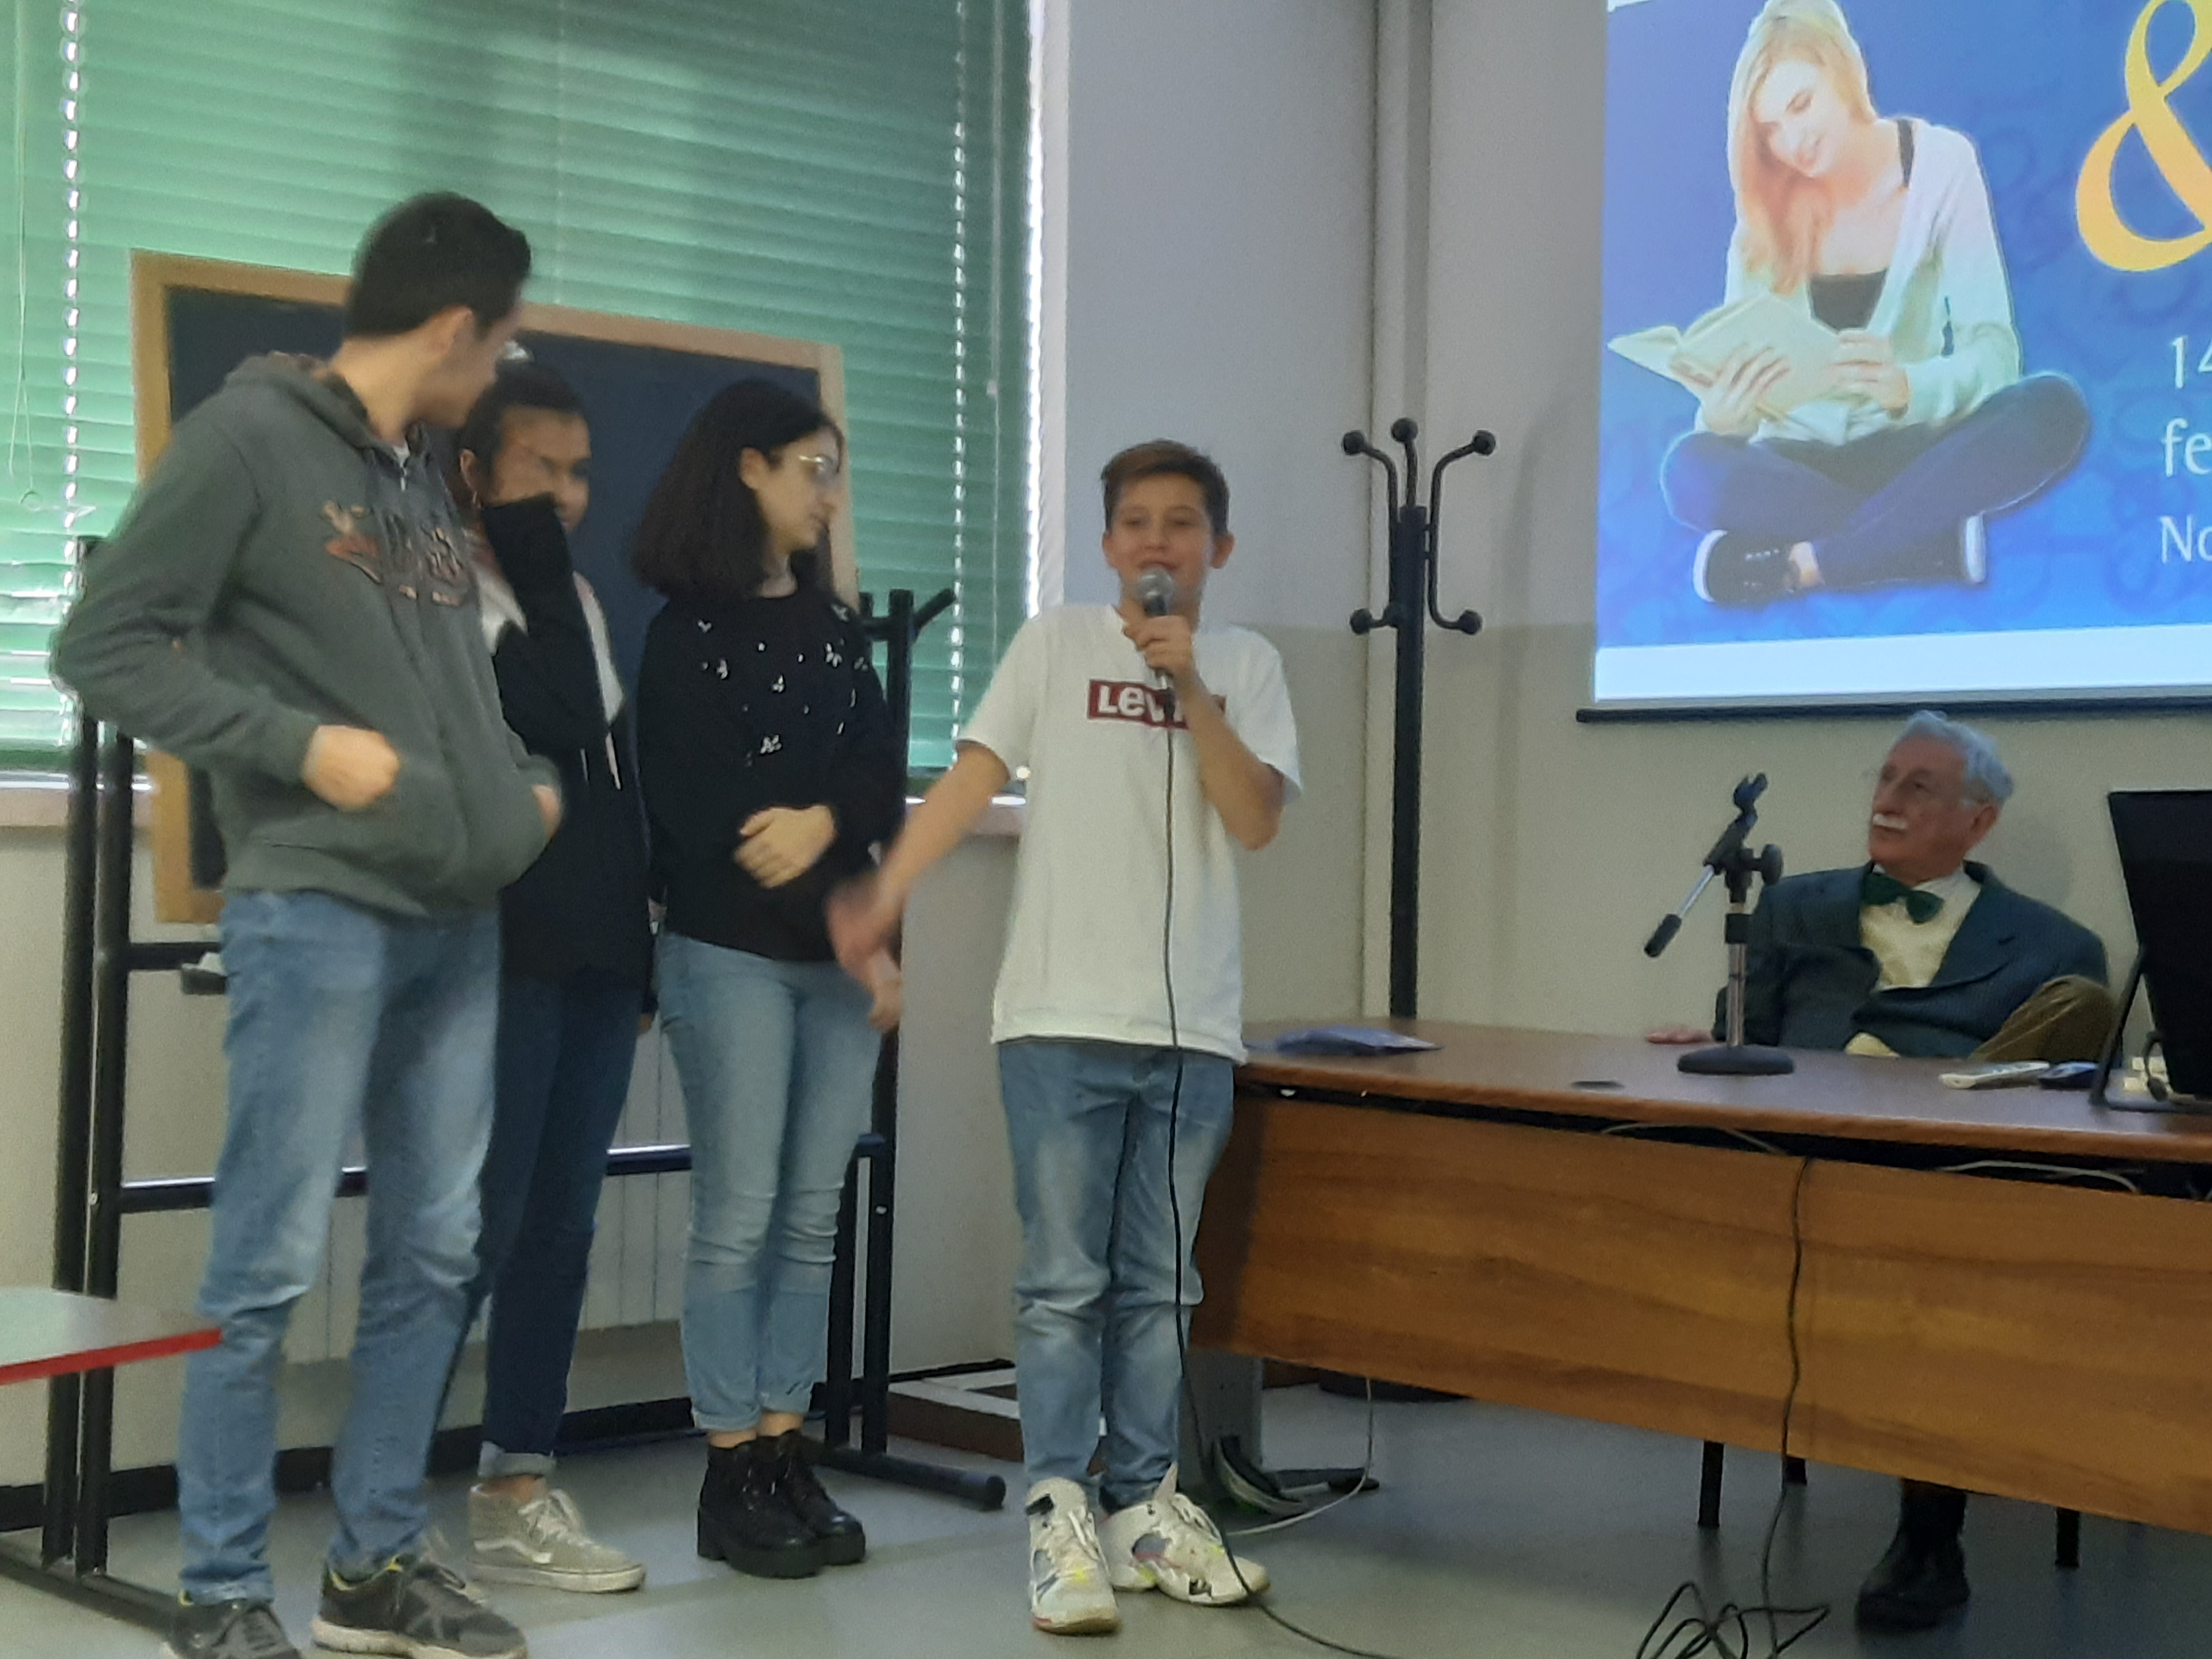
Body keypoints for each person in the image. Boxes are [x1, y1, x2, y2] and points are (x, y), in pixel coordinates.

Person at [53, 195, 549, 1659]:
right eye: (500, 343)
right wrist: (294, 745)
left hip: (458, 918)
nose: (500, 369)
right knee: (266, 1265)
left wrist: (515, 788)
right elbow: (100, 645)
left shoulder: (419, 478)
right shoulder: (245, 443)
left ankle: (373, 1570)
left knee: (433, 1254)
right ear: (452, 328)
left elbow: (447, 682)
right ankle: (218, 1591)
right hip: (319, 910)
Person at [830, 440, 1300, 1636]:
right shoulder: (1054, 644)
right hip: (1056, 1019)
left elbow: (1254, 820)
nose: (1156, 541)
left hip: (1192, 1027)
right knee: (1063, 1285)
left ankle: (1147, 1504)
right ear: (1105, 546)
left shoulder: (1246, 665)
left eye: (1181, 523)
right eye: (1136, 522)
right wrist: (886, 891)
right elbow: (970, 776)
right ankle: (1059, 1510)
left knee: (1162, 1285)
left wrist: (1190, 689)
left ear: (1218, 548)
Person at [1650, 711, 2111, 1632]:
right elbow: (1751, 1036)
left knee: (1941, 1258)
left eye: (1918, 787)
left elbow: (2061, 1112)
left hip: (1949, 1180)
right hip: (1794, 1155)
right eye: (1886, 779)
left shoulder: (2055, 947)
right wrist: (1714, 1041)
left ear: (1978, 821)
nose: (1888, 801)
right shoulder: (1791, 906)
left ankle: (1928, 1536)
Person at [632, 379, 903, 1582]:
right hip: (730, 954)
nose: (828, 493)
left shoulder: (835, 630)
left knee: (809, 1216)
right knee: (737, 1215)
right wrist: (843, 914)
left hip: (834, 963)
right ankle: (729, 1462)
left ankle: (788, 1444)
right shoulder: (681, 636)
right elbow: (708, 819)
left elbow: (876, 769)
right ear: (748, 467)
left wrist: (832, 839)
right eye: (812, 467)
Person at [1661, 0, 2088, 608]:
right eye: (1771, 130)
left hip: (1913, 449)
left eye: (1801, 105)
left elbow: (1994, 352)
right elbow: (1744, 401)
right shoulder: (1763, 220)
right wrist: (1725, 418)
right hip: (1795, 462)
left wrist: (1908, 386)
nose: (1793, 141)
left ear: (1845, 72)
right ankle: (1928, 545)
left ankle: (1807, 564)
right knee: (1688, 467)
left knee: (2053, 407)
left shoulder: (1943, 165)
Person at [445, 360, 652, 1594]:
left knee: (563, 1226)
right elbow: (557, 712)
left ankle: (515, 1485)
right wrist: (523, 556)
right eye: (541, 470)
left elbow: (605, 764)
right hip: (497, 942)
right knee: (479, 1222)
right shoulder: (435, 589)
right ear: (473, 472)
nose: (567, 497)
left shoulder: (569, 592)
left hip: (594, 941)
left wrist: (639, 940)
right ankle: (379, 1507)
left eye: (579, 474)